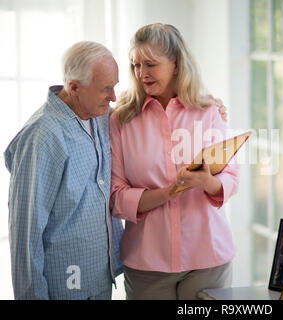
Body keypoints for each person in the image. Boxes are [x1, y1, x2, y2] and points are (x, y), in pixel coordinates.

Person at [109, 23, 240, 300]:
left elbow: (231, 176)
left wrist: (207, 181)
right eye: (135, 65)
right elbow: (116, 196)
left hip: (208, 258)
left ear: (176, 64)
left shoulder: (208, 111)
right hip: (146, 264)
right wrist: (169, 193)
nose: (141, 74)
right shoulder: (121, 119)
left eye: (151, 64)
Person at [4, 41, 124, 299]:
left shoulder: (100, 114)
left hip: (99, 279)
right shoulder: (43, 136)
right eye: (106, 89)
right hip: (65, 286)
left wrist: (204, 103)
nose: (113, 97)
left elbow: (138, 111)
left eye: (115, 86)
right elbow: (26, 234)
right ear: (74, 88)